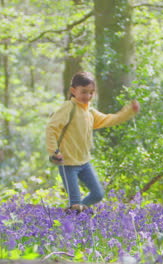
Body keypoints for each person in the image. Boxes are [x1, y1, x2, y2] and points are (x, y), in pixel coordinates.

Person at [46, 71, 140, 213]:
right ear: (73, 91)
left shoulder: (89, 112)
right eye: (84, 92)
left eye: (91, 93)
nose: (88, 96)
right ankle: (72, 221)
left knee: (98, 194)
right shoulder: (68, 108)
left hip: (84, 162)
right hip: (67, 163)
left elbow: (109, 119)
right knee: (75, 201)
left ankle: (71, 213)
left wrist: (129, 111)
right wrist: (54, 151)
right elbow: (51, 128)